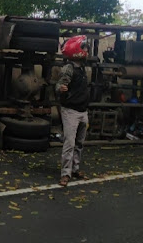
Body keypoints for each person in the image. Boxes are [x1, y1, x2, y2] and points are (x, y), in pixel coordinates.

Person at [56, 35, 90, 187]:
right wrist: (61, 88)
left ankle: (75, 169)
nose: (86, 50)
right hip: (71, 111)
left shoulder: (81, 67)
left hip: (83, 111)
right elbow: (58, 85)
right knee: (69, 143)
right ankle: (65, 174)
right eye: (84, 47)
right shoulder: (68, 68)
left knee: (79, 143)